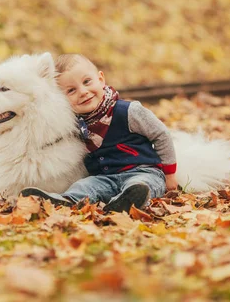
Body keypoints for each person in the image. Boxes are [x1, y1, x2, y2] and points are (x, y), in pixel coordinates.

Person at [21, 54, 178, 212]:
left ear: (101, 79)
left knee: (142, 184)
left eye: (87, 82)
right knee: (85, 185)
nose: (83, 92)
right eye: (71, 90)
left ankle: (127, 201)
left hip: (142, 170)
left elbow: (161, 135)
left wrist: (170, 174)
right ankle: (66, 200)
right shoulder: (74, 124)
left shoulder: (129, 111)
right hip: (104, 178)